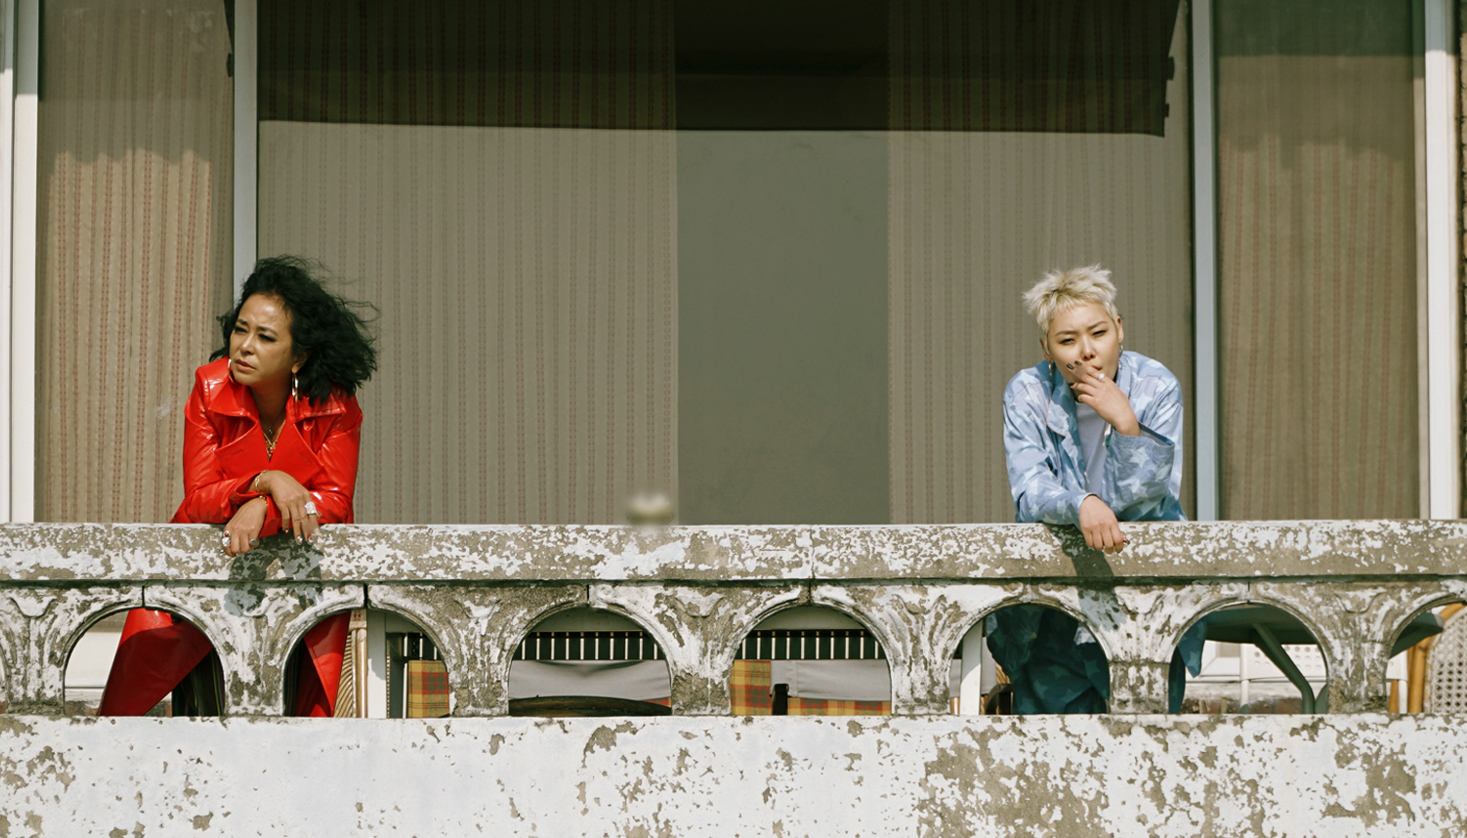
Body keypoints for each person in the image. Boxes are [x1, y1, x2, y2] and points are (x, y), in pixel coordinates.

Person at [99, 256, 376, 717]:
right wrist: (266, 481)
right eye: (240, 330)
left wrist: (262, 509)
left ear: (299, 357)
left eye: (265, 337)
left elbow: (334, 500)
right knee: (204, 727)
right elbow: (199, 499)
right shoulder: (209, 390)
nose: (245, 347)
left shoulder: (335, 405)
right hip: (209, 581)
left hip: (297, 590)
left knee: (294, 729)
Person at [988, 265, 1203, 713]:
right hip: (1054, 603)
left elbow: (1148, 502)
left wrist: (1126, 424)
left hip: (1141, 598)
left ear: (1119, 329)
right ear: (1047, 348)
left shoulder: (1155, 386)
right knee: (1051, 745)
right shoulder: (1028, 392)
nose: (1086, 351)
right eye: (1067, 340)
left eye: (1099, 333)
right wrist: (1080, 503)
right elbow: (1030, 489)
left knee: (1146, 741)